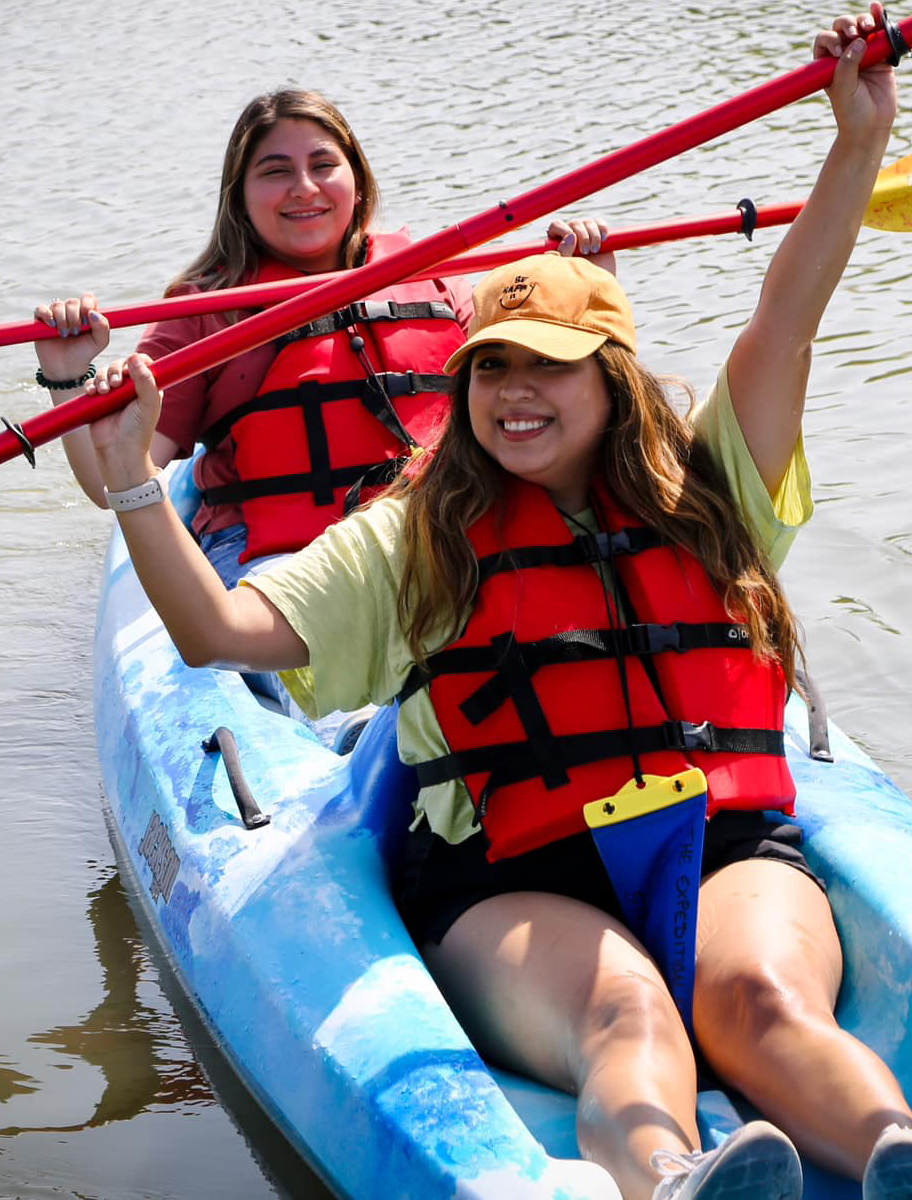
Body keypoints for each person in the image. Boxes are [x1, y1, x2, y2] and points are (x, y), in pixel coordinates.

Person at [73, 8, 909, 1198]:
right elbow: (219, 635)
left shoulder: (718, 486)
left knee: (763, 999)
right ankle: (676, 1181)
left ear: (611, 379)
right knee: (628, 1014)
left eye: (549, 366)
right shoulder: (421, 536)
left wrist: (856, 137)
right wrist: (133, 499)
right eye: (491, 368)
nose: (516, 394)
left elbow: (792, 306)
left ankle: (893, 1155)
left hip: (722, 839)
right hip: (511, 871)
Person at [33, 87, 606, 747]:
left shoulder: (443, 280)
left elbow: (559, 414)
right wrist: (69, 378)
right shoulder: (206, 312)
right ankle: (364, 741)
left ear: (357, 183)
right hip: (282, 558)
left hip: (436, 534)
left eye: (323, 165)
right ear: (240, 198)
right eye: (275, 171)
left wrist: (586, 291)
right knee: (359, 678)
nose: (304, 187)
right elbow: (117, 480)